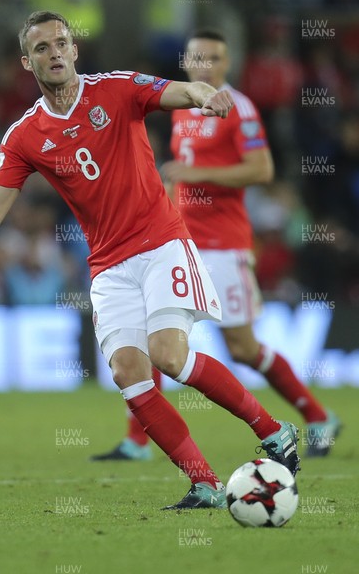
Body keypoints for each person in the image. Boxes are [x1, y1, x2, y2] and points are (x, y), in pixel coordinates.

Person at [0, 12, 300, 510]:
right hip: (108, 265)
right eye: (41, 47)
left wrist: (205, 95)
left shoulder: (117, 89)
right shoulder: (24, 135)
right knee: (128, 374)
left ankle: (273, 430)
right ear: (26, 61)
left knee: (168, 355)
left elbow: (178, 93)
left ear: (74, 50)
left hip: (161, 242)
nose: (54, 52)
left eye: (61, 43)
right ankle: (203, 482)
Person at [92, 29, 340, 464]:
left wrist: (196, 174)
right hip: (179, 242)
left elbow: (262, 170)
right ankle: (138, 440)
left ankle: (318, 416)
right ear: (186, 64)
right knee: (155, 334)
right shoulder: (184, 110)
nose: (205, 65)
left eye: (214, 58)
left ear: (226, 65)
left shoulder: (238, 107)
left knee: (243, 348)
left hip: (224, 246)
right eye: (198, 58)